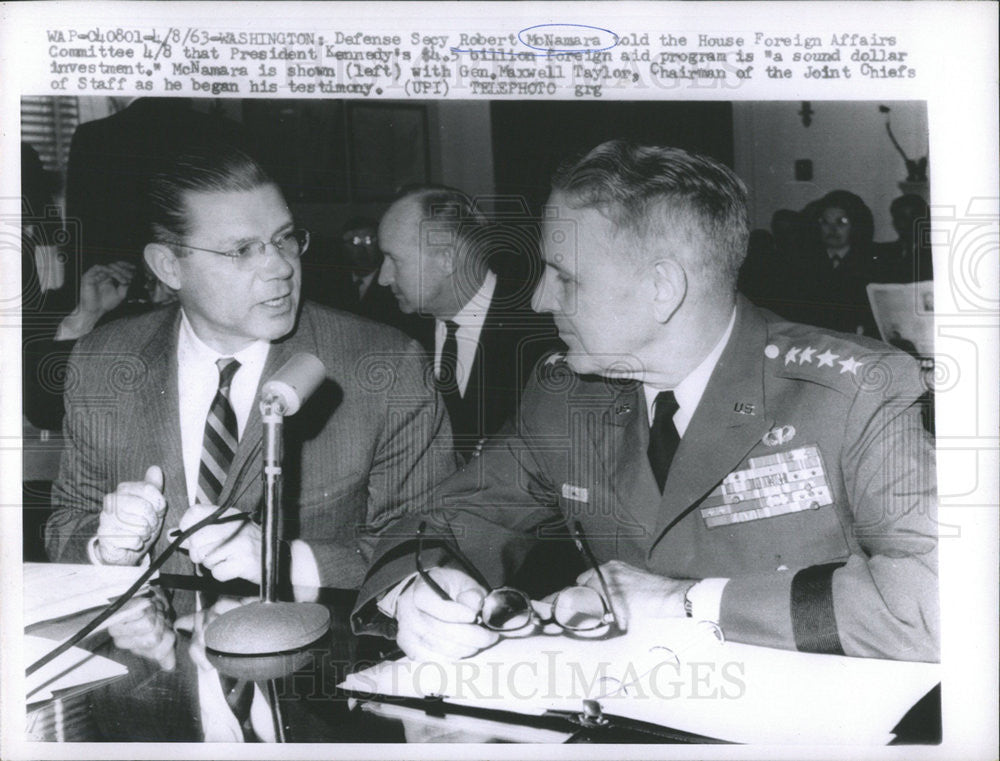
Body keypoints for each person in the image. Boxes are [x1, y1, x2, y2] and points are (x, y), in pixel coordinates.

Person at [353, 141, 939, 664]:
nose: (537, 300)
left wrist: (690, 602)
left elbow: (939, 600)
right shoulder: (565, 397)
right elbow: (445, 520)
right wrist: (419, 593)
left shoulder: (856, 392)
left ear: (663, 287)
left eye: (564, 276)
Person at [44, 144, 457, 738]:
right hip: (148, 709)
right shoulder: (105, 360)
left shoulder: (383, 364)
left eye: (286, 240)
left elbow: (430, 551)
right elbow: (66, 525)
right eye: (243, 250)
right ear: (168, 266)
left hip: (321, 705)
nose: (281, 268)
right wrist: (107, 551)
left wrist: (286, 561)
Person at [377, 185, 563, 460]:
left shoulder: (543, 337)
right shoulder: (392, 334)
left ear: (447, 258)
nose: (383, 277)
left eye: (394, 260)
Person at [323, 216, 433, 348]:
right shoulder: (331, 285)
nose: (362, 249)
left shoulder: (398, 287)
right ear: (342, 246)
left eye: (369, 241)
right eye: (354, 242)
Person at [792, 190, 879, 336]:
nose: (832, 230)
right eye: (825, 222)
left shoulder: (871, 263)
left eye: (842, 222)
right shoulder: (804, 262)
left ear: (855, 226)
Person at [871, 193, 933, 284]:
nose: (909, 223)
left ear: (926, 221)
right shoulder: (882, 253)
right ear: (895, 223)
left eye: (914, 217)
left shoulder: (936, 254)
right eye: (902, 218)